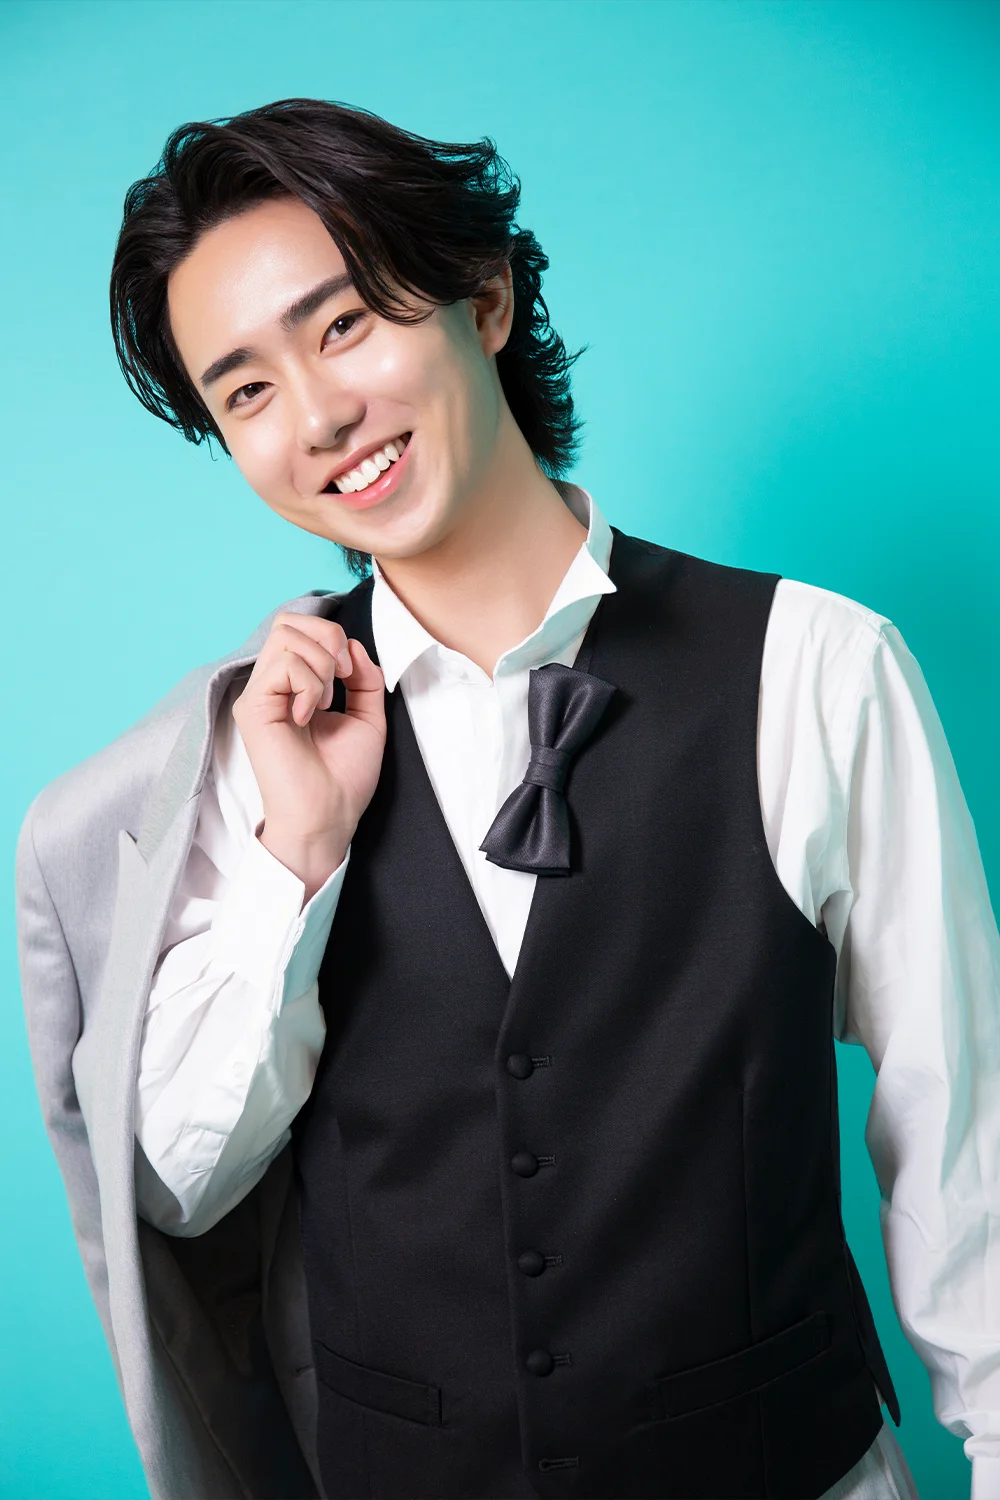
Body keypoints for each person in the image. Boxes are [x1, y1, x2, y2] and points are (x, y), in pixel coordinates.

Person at [14, 97, 1000, 1500]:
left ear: (483, 299)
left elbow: (969, 1145)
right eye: (245, 392)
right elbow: (174, 1187)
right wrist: (297, 856)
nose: (319, 416)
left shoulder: (820, 668)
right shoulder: (250, 750)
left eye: (342, 325)